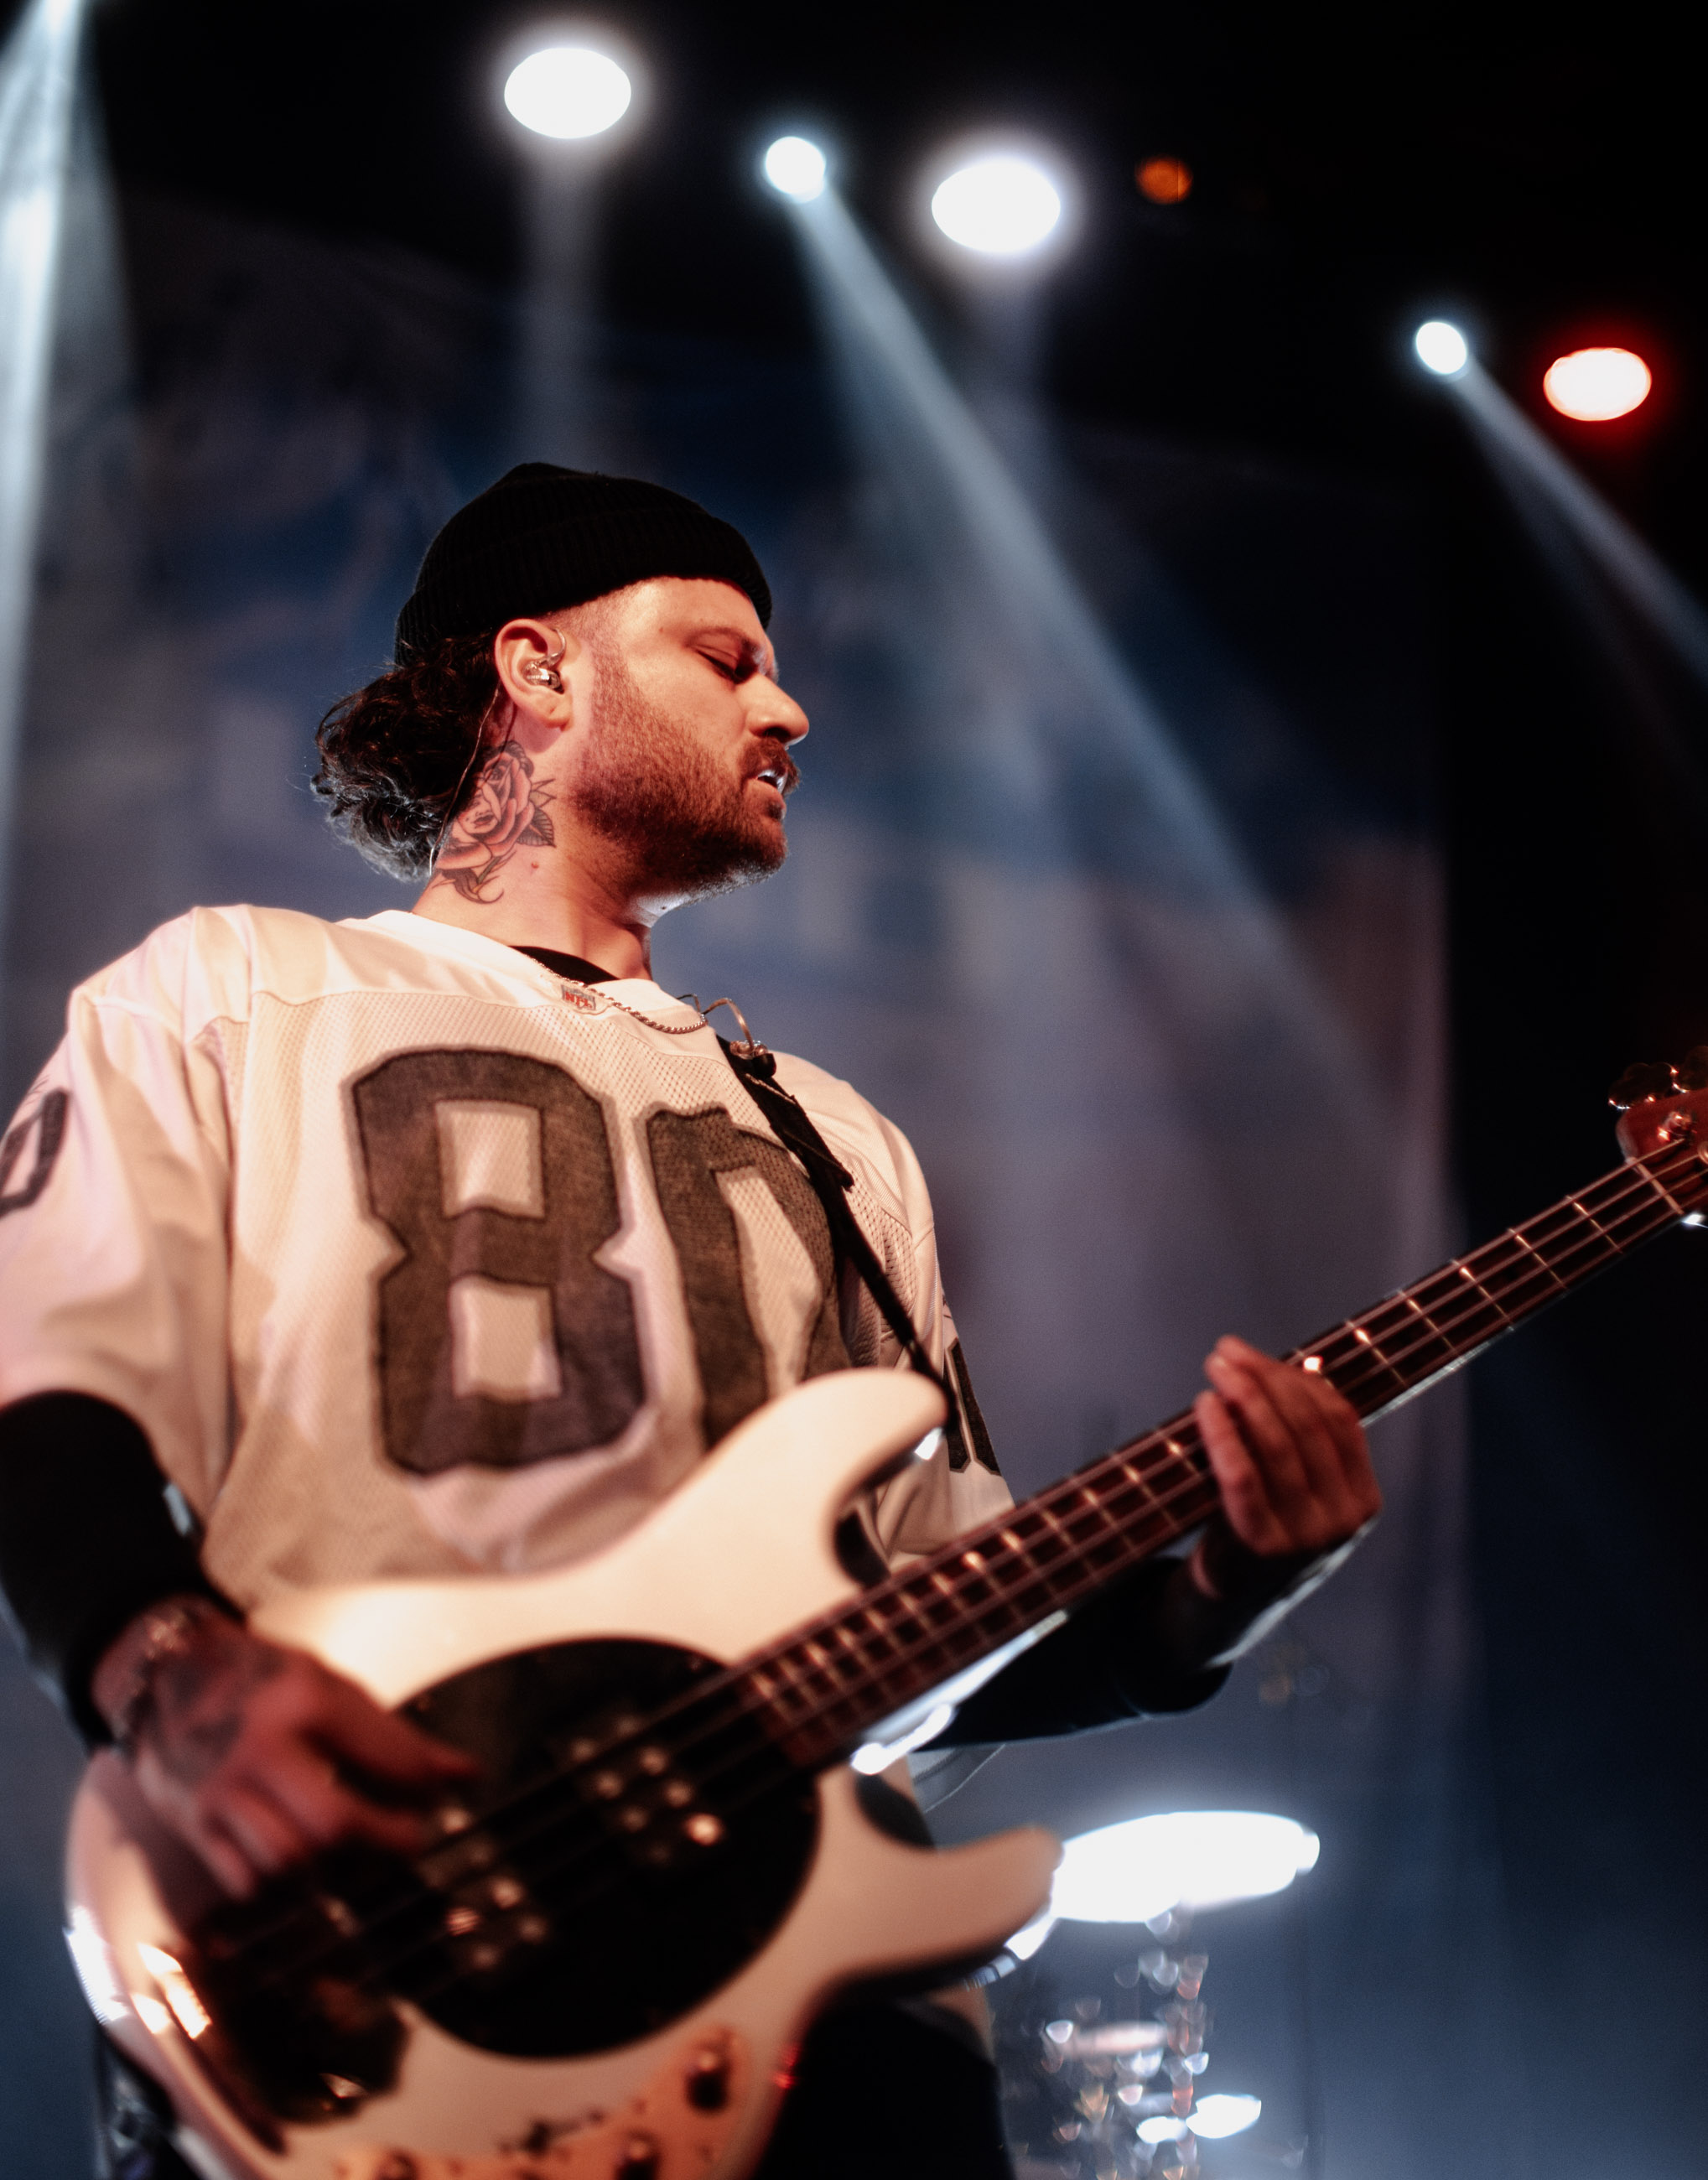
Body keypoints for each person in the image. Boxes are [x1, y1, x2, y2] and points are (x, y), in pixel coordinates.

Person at [0, 465, 1380, 2179]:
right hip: (387, 1970)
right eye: (725, 656)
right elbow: (40, 1386)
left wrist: (1212, 1600)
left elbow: (924, 1633)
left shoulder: (840, 1135)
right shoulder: (231, 993)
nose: (786, 702)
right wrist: (166, 1664)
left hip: (821, 2021)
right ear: (538, 666)